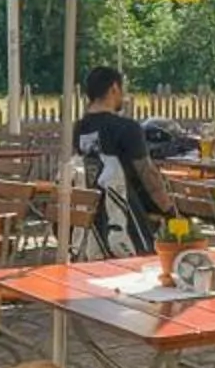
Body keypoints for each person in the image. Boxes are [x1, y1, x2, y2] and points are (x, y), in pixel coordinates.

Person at [73, 66, 184, 250]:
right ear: (114, 88)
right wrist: (170, 209)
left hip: (90, 215)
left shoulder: (78, 128)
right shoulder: (126, 127)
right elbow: (147, 173)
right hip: (127, 214)